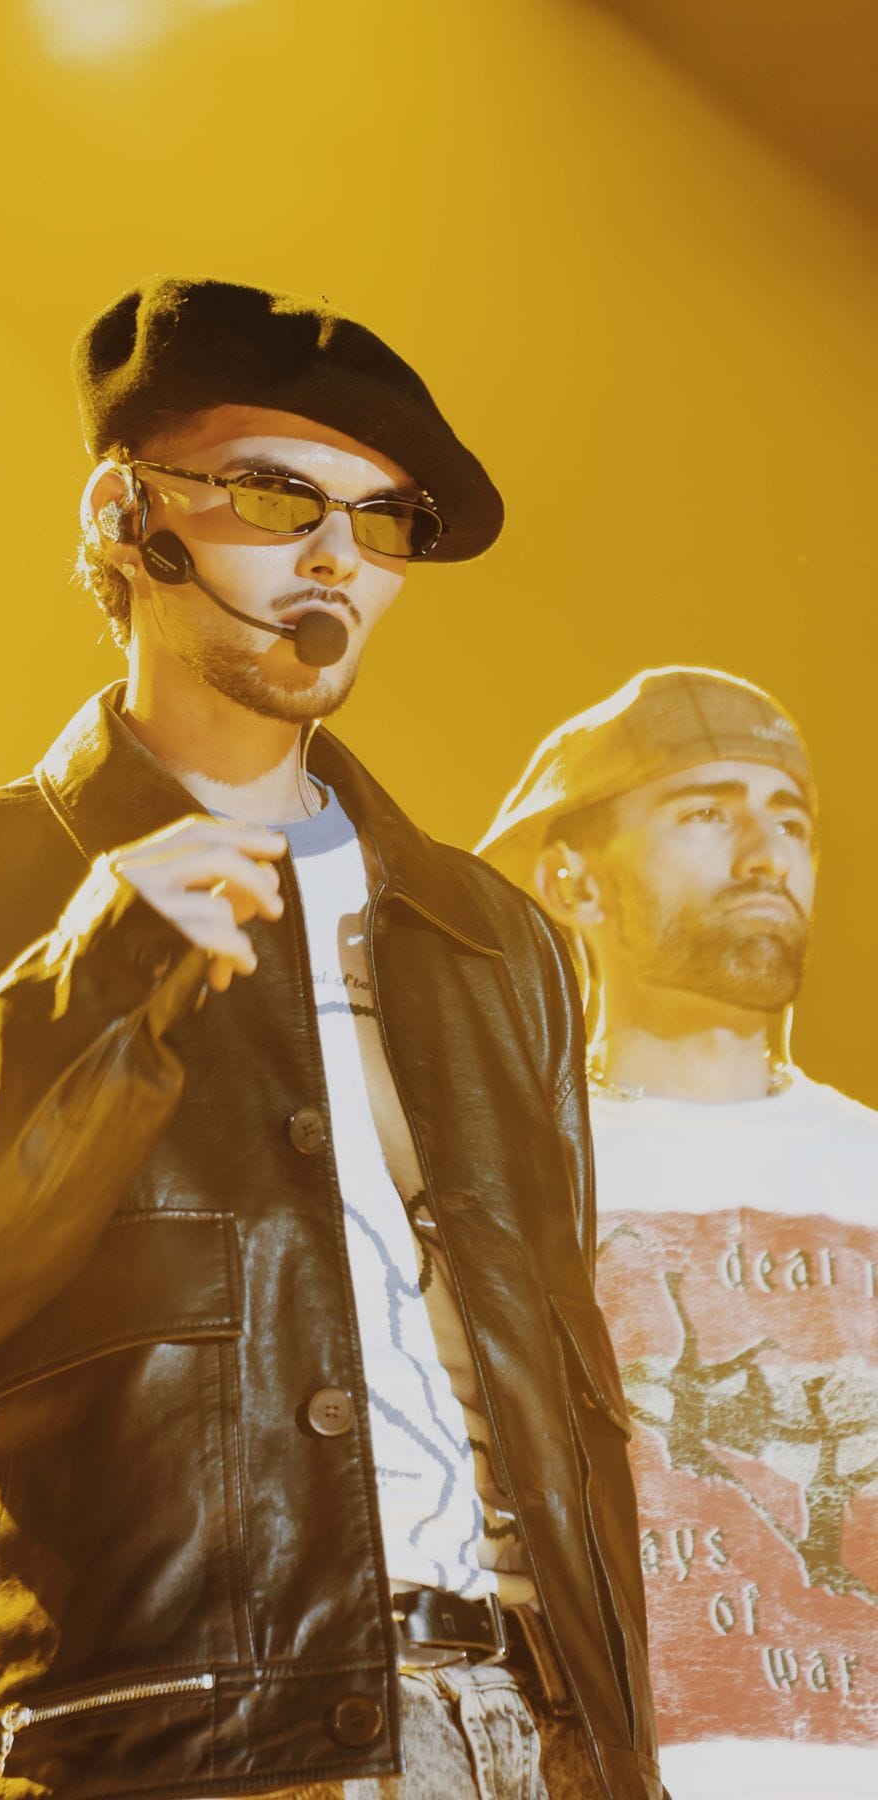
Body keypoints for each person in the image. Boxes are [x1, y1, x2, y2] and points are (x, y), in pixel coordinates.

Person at [0, 278, 662, 1800]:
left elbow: (561, 1406)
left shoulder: (494, 942)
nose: (336, 556)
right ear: (127, 514)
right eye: (276, 495)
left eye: (382, 522)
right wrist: (90, 984)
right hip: (161, 1747)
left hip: (520, 1744)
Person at [478, 664, 878, 1800]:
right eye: (706, 813)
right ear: (573, 883)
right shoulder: (500, 1186)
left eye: (789, 819)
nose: (766, 855)